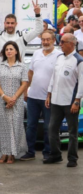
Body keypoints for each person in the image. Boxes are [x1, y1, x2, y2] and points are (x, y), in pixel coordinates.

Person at [21, 30, 61, 161]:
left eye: (48, 39)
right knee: (31, 126)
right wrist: (26, 90)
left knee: (48, 127)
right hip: (33, 97)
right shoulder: (37, 53)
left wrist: (52, 94)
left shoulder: (59, 55)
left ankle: (48, 153)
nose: (45, 42)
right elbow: (30, 73)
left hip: (49, 98)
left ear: (53, 40)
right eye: (43, 39)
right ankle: (30, 152)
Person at [44, 33, 83, 167]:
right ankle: (55, 155)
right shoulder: (59, 57)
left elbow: (82, 83)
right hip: (56, 100)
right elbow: (53, 77)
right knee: (52, 129)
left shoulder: (79, 60)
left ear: (72, 44)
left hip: (70, 102)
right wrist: (49, 94)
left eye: (63, 42)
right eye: (60, 42)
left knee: (72, 132)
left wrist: (77, 101)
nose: (60, 44)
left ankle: (72, 158)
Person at [0, 41, 28, 164]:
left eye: (11, 49)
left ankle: (12, 154)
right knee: (3, 126)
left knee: (15, 126)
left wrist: (14, 98)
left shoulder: (22, 66)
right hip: (1, 100)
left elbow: (25, 83)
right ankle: (4, 153)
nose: (9, 51)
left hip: (17, 101)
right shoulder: (0, 66)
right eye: (6, 50)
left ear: (16, 51)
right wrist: (5, 97)